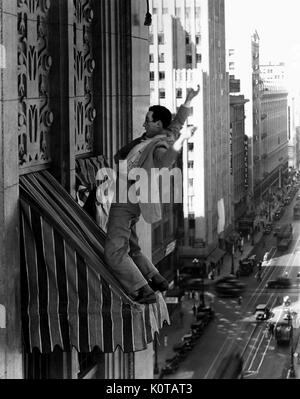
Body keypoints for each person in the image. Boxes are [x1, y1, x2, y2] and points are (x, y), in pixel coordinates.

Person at [104, 86, 200, 304]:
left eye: (148, 120)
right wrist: (188, 99)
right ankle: (154, 277)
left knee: (114, 252)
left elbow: (165, 162)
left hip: (126, 198)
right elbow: (176, 123)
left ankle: (142, 289)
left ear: (157, 124)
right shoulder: (163, 134)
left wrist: (182, 140)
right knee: (133, 247)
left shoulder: (159, 145)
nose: (144, 124)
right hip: (132, 199)